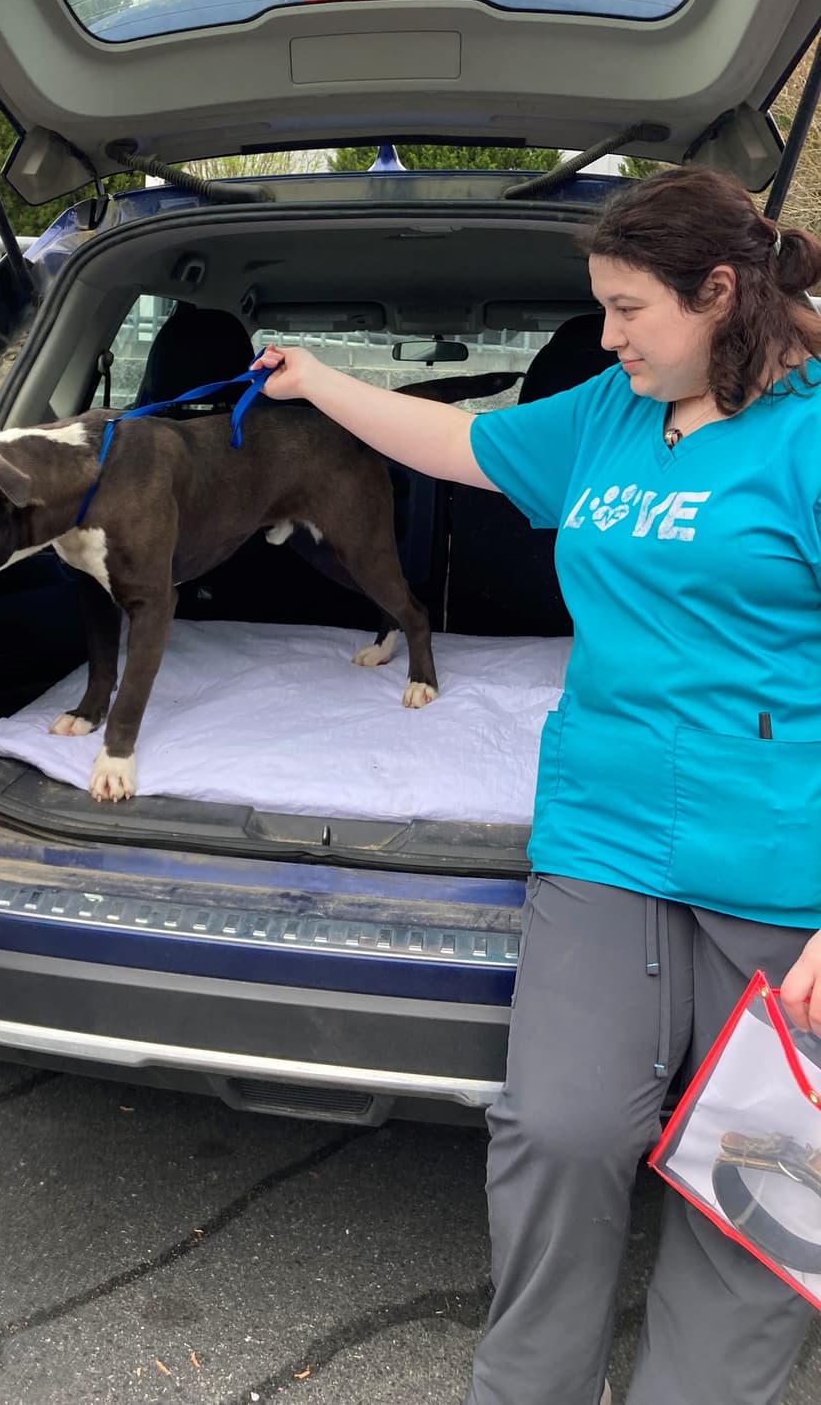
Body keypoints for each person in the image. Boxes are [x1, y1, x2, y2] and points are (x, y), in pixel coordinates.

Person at [255, 166, 821, 1405]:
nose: (604, 337)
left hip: (785, 863)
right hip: (603, 836)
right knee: (558, 1131)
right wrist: (319, 383)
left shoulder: (810, 435)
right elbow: (460, 445)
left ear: (718, 293)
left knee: (759, 1168)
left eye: (625, 309)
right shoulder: (614, 411)